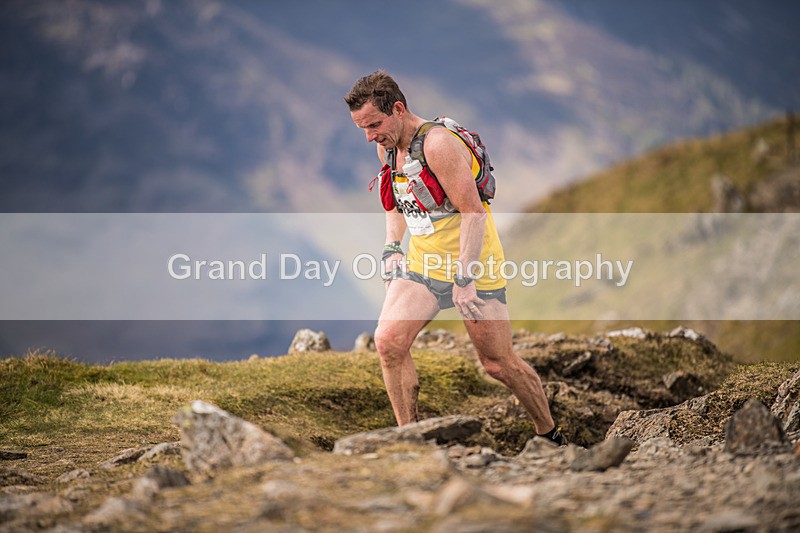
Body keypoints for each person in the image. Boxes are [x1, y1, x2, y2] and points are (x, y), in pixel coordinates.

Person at [344, 70, 565, 446]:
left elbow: (474, 213)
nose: (369, 136)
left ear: (398, 109)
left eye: (374, 125)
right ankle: (411, 442)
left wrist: (465, 278)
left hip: (473, 262)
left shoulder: (438, 145)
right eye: (362, 129)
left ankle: (550, 434)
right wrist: (392, 248)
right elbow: (395, 203)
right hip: (423, 263)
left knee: (498, 365)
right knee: (388, 343)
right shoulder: (387, 145)